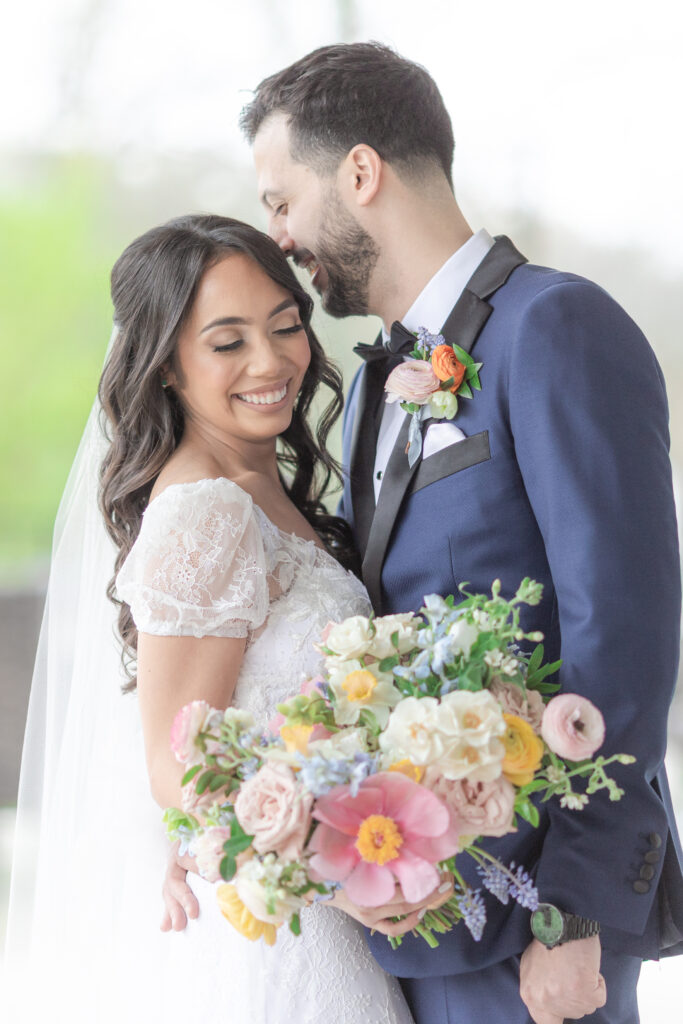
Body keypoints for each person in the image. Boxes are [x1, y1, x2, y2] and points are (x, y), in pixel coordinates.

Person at [162, 42, 683, 1024]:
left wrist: (571, 911)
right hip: (396, 918)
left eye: (280, 200)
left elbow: (621, 636)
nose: (279, 236)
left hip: (531, 928)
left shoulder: (556, 327)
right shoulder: (368, 387)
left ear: (358, 173)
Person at [5, 213, 435, 1023]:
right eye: (228, 341)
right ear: (166, 364)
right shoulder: (206, 509)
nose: (272, 362)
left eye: (285, 326)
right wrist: (333, 874)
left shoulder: (263, 482)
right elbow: (179, 766)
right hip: (283, 929)